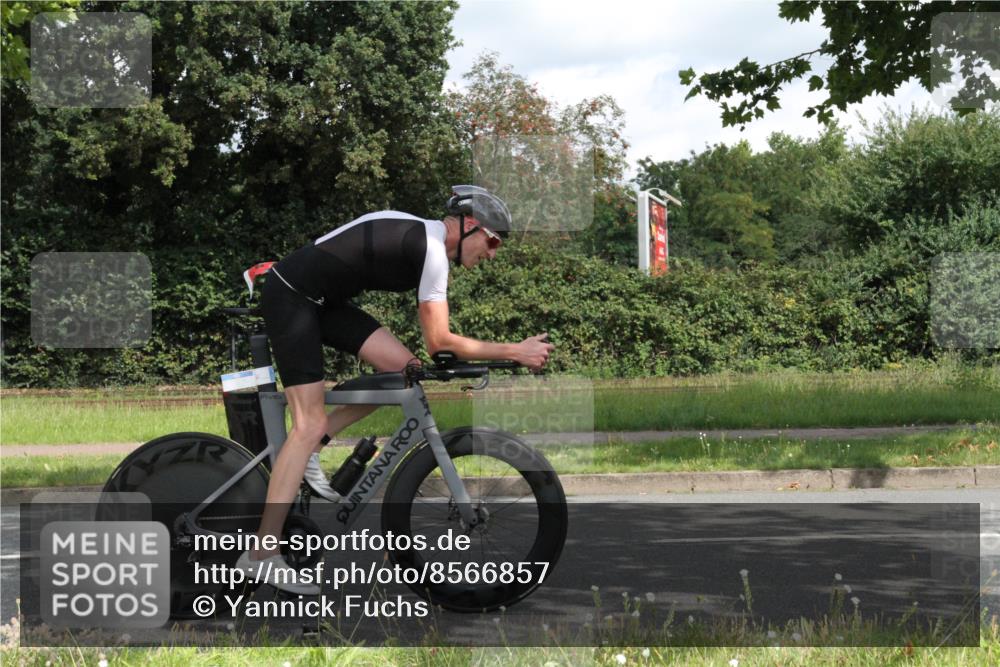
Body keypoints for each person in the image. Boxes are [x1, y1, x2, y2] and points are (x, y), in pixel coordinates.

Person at [236, 185, 555, 594]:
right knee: (306, 422)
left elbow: (428, 352)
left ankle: (314, 448)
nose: (492, 254)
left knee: (406, 370)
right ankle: (261, 556)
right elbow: (439, 340)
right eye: (492, 242)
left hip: (322, 302)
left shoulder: (427, 243)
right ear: (470, 225)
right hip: (293, 297)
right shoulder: (433, 250)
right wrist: (515, 351)